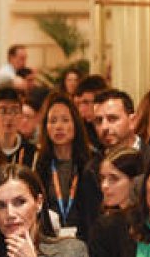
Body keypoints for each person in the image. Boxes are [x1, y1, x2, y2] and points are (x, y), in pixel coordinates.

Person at [33, 92, 100, 239]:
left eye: (65, 120)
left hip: (85, 241)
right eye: (53, 121)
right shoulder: (40, 165)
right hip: (50, 242)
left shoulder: (92, 163)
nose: (59, 126)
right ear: (45, 127)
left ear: (75, 124)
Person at [0, 87, 36, 167]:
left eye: (15, 111)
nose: (9, 117)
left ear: (21, 116)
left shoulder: (31, 152)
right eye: (3, 111)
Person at [97, 146, 143, 212]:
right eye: (102, 178)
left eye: (113, 179)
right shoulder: (106, 218)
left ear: (134, 181)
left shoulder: (147, 220)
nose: (104, 185)